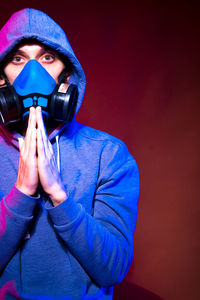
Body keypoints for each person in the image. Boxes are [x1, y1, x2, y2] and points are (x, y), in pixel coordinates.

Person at [0, 8, 140, 300]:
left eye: (47, 58)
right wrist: (22, 193)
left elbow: (113, 268)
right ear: (2, 78)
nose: (32, 72)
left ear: (67, 75)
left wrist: (58, 195)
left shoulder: (108, 155)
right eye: (18, 58)